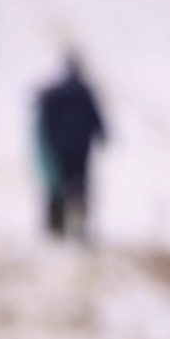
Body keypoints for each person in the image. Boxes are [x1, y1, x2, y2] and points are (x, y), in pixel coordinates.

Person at [35, 55, 107, 241]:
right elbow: (95, 116)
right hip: (81, 150)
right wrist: (102, 135)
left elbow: (46, 121)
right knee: (80, 187)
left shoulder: (55, 94)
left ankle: (56, 227)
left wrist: (50, 142)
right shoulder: (85, 92)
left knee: (57, 187)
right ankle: (80, 227)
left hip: (59, 149)